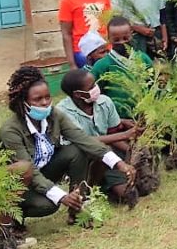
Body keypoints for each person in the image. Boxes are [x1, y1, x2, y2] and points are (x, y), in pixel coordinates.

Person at [0, 66, 137, 225]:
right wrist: (62, 196)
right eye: (37, 99)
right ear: (22, 101)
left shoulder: (54, 115)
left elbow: (83, 139)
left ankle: (77, 208)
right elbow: (29, 171)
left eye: (47, 97)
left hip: (44, 172)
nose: (44, 103)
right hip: (21, 184)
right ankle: (11, 219)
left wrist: (119, 163)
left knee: (77, 150)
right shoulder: (11, 130)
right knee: (48, 205)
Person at [56, 68, 141, 206]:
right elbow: (84, 141)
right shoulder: (63, 112)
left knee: (133, 189)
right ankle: (90, 187)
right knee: (124, 193)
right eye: (91, 87)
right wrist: (125, 134)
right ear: (77, 94)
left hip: (106, 153)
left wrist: (131, 151)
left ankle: (105, 181)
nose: (96, 88)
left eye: (95, 84)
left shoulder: (105, 102)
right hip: (80, 157)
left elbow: (111, 133)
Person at [91, 16, 153, 119]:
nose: (122, 42)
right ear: (108, 39)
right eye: (116, 40)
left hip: (144, 117)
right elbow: (95, 94)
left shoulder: (143, 59)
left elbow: (153, 85)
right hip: (116, 120)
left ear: (131, 35)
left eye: (125, 38)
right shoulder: (102, 65)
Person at [58, 0, 112, 69]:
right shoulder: (67, 0)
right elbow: (66, 34)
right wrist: (72, 64)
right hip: (83, 53)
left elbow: (109, 24)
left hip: (105, 50)